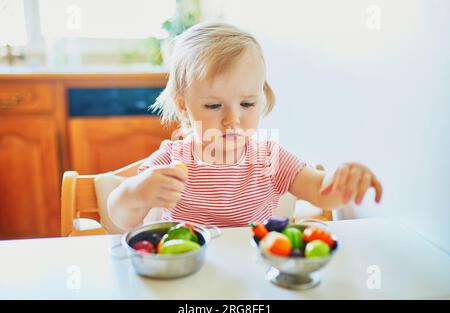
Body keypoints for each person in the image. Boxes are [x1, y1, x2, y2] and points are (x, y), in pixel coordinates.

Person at [107, 21, 383, 230]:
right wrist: (134, 194)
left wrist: (344, 182)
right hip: (188, 275)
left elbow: (322, 195)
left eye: (247, 104)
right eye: (214, 106)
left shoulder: (269, 157)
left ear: (261, 99)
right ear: (183, 106)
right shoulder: (172, 159)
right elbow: (121, 218)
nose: (232, 119)